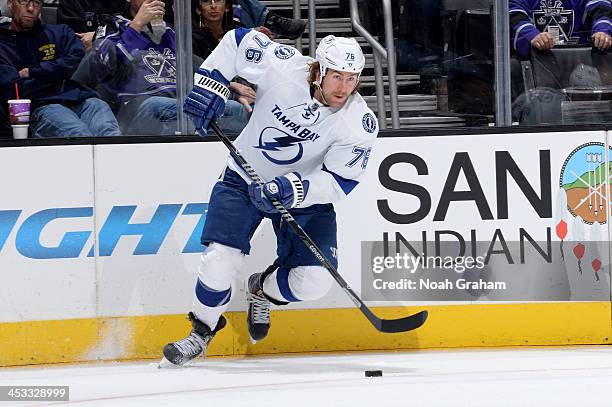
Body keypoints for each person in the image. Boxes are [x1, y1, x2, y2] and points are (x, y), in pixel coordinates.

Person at [161, 30, 379, 367]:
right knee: (219, 261)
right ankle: (201, 332)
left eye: (351, 78)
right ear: (318, 70)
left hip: (300, 194)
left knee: (315, 282)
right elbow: (236, 42)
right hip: (243, 178)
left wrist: (297, 189)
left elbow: (341, 180)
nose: (343, 87)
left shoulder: (358, 122)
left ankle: (260, 289)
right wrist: (210, 86)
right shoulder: (284, 66)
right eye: (337, 76)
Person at [0, 0, 120, 138]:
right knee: (78, 134)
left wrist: (31, 72)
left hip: (82, 99)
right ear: (10, 3)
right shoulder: (3, 44)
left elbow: (76, 63)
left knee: (110, 134)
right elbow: (10, 82)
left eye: (37, 3)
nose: (31, 8)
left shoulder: (60, 32)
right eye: (24, 2)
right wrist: (58, 72)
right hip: (42, 105)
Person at [192, 0, 263, 131]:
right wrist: (232, 87)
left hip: (248, 86)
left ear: (227, 7)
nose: (213, 6)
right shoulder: (192, 37)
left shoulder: (240, 31)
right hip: (217, 90)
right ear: (198, 9)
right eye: (207, 1)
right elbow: (197, 74)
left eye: (218, 0)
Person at [510, 0, 612, 59]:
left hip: (581, 65)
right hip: (535, 69)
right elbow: (513, 14)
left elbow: (601, 8)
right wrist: (531, 36)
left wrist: (602, 32)